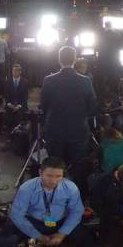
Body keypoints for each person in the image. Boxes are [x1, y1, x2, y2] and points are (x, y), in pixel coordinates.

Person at [0, 157, 95, 247]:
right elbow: (17, 215)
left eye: (58, 176)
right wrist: (37, 235)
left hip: (61, 222)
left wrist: (62, 233)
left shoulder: (71, 187)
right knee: (1, 243)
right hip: (34, 222)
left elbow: (76, 212)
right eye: (49, 176)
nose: (54, 181)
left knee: (90, 245)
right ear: (40, 173)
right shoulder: (27, 188)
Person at [39, 46, 98, 190]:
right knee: (78, 169)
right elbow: (92, 107)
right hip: (78, 132)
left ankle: (54, 195)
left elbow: (43, 107)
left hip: (55, 132)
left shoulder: (48, 80)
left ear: (59, 59)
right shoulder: (85, 81)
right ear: (74, 60)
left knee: (55, 168)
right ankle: (76, 197)